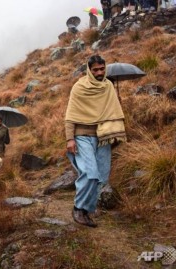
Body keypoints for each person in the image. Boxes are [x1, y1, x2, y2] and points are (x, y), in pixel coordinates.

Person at [65, 55, 127, 227]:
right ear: (89, 70)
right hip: (82, 136)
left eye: (102, 69)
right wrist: (70, 139)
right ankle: (78, 208)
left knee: (101, 176)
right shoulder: (79, 87)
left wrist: (116, 106)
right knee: (90, 173)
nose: (99, 73)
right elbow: (70, 116)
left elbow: (113, 111)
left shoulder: (108, 86)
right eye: (96, 70)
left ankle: (87, 210)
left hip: (103, 137)